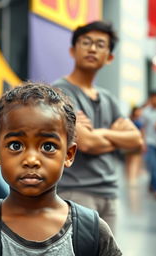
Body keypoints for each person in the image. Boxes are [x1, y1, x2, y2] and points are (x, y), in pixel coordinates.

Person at [0, 82, 122, 255]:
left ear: (69, 155)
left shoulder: (92, 231)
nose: (31, 160)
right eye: (16, 145)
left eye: (48, 147)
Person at [52, 21, 143, 233]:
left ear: (109, 57)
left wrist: (101, 133)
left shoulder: (108, 98)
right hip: (76, 193)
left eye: (101, 45)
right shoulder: (61, 92)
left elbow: (137, 141)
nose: (93, 48)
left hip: (109, 194)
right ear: (73, 50)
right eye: (87, 42)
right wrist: (116, 138)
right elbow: (88, 143)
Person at [140, 91, 156, 200]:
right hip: (151, 142)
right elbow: (143, 128)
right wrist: (143, 142)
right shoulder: (146, 112)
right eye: (153, 98)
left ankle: (153, 184)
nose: (155, 100)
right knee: (154, 166)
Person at [125, 106, 145, 186]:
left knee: (134, 161)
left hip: (135, 143)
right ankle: (131, 178)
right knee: (130, 161)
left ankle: (132, 178)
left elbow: (142, 133)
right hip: (131, 143)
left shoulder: (138, 120)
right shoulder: (131, 120)